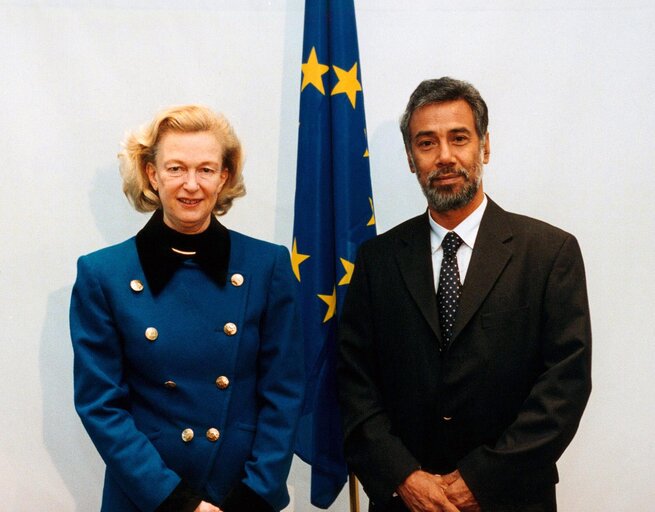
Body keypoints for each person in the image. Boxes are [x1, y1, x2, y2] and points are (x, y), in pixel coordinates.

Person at [337, 77, 591, 512]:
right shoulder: (377, 260)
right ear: (411, 159)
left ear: (484, 147)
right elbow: (354, 381)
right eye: (427, 143)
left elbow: (563, 388)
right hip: (405, 501)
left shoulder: (550, 253)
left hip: (512, 498)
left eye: (459, 138)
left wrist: (481, 479)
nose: (445, 157)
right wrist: (404, 476)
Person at [70, 105, 304, 512]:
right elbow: (101, 407)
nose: (191, 185)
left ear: (224, 176)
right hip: (148, 498)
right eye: (176, 168)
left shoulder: (267, 266)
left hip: (241, 493)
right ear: (152, 175)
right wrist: (176, 503)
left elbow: (284, 392)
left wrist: (252, 497)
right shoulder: (102, 274)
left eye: (206, 169)